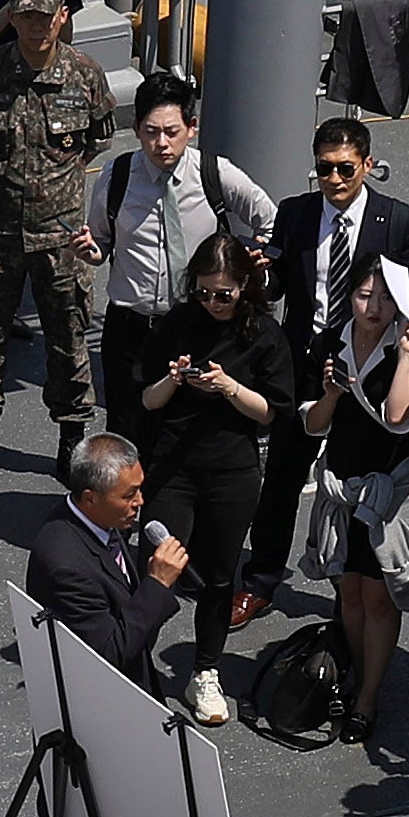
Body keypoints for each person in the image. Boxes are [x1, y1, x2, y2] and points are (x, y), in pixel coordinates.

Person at [17, 434, 186, 817]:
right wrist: (157, 587)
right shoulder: (65, 558)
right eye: (128, 496)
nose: (140, 504)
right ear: (89, 497)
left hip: (110, 712)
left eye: (141, 491)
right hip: (83, 723)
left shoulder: (102, 530)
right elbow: (110, 650)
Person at [0, 0, 114, 492]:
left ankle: (70, 442)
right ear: (12, 16)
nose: (37, 26)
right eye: (27, 15)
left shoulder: (85, 76)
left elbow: (95, 143)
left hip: (58, 238)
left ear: (63, 16)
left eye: (47, 15)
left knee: (67, 340)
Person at [108, 229, 287, 714]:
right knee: (157, 565)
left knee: (217, 577)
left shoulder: (262, 333)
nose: (212, 302)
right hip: (173, 468)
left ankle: (206, 670)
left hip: (232, 471)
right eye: (203, 292)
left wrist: (229, 386)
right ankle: (133, 660)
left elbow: (271, 411)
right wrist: (172, 379)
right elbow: (143, 399)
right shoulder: (177, 324)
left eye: (223, 294)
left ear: (244, 286)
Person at [262, 115, 409, 567]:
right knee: (282, 472)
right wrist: (258, 271)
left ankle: (352, 579)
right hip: (304, 357)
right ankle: (262, 575)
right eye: (324, 168)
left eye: (345, 168)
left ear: (367, 164)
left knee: (359, 473)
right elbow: (276, 288)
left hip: (366, 363)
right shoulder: (295, 213)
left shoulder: (398, 222)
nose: (333, 179)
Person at [309, 245, 409, 744]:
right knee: (351, 591)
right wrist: (332, 394)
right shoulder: (327, 344)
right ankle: (359, 674)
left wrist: (404, 356)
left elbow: (400, 418)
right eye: (364, 295)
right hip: (343, 481)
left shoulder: (407, 346)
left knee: (380, 595)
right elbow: (313, 424)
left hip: (391, 484)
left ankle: (366, 699)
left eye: (385, 297)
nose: (374, 307)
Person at [86, 72, 274, 322]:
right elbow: (100, 242)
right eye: (151, 132)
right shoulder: (116, 177)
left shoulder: (214, 174)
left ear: (191, 127)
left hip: (199, 320)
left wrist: (253, 257)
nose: (161, 143)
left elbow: (272, 222)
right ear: (137, 130)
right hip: (131, 325)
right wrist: (90, 251)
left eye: (171, 132)